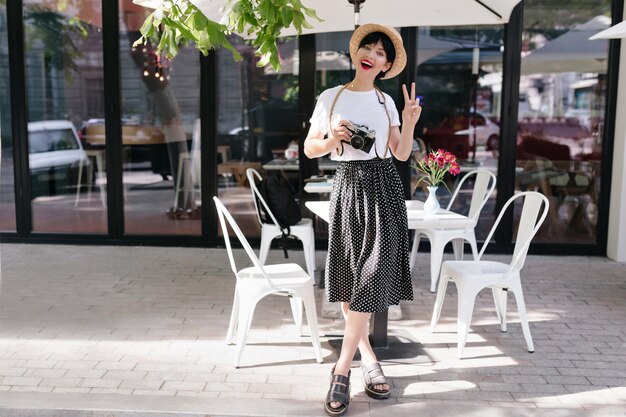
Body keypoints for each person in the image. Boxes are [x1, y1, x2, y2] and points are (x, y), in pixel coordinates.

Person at [303, 23, 422, 416]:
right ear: (356, 54)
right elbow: (309, 149)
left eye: (382, 52)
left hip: (384, 189)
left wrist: (409, 119)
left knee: (371, 277)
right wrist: (334, 139)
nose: (373, 54)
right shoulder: (330, 97)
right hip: (348, 187)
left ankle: (341, 370)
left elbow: (402, 155)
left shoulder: (387, 103)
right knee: (352, 281)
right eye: (368, 47)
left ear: (387, 65)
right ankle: (370, 362)